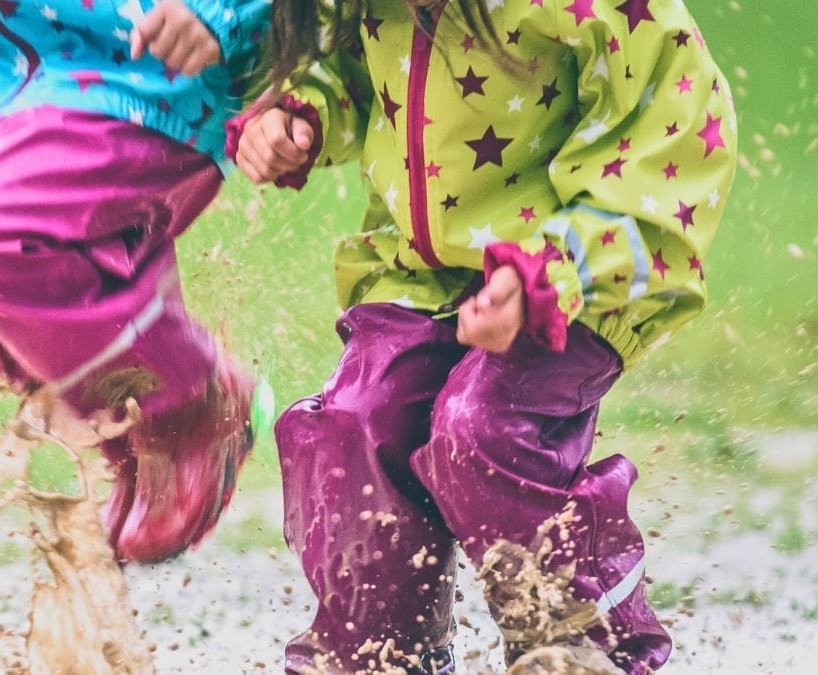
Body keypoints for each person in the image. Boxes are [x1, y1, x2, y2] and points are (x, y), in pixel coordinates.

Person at [230, 0, 736, 671]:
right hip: (419, 271)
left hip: (575, 270)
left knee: (480, 427)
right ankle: (381, 651)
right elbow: (349, 60)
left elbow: (670, 121)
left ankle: (580, 641)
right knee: (354, 428)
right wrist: (298, 113)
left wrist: (549, 272)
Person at [0, 0, 272, 565]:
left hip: (143, 76)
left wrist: (218, 12)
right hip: (22, 76)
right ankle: (132, 425)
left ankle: (192, 397)